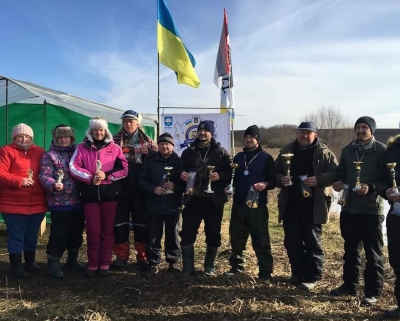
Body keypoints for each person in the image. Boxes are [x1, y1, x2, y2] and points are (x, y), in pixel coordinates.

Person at [275, 121, 338, 291]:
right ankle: (297, 273)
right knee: (292, 241)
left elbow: (336, 173)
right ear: (297, 133)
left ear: (315, 135)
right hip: (290, 203)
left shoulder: (324, 152)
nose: (304, 135)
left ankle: (312, 277)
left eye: (308, 133)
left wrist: (319, 179)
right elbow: (274, 172)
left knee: (312, 241)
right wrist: (281, 179)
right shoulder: (286, 151)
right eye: (301, 132)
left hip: (314, 204)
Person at [330, 116, 386, 306]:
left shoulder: (381, 150)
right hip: (349, 208)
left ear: (372, 130)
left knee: (373, 254)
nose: (361, 130)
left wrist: (370, 187)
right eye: (358, 127)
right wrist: (338, 183)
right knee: (350, 250)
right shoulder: (348, 150)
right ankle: (349, 285)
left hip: (371, 210)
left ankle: (372, 292)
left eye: (365, 127)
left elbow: (387, 180)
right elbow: (342, 175)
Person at [69, 116, 128, 277]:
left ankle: (105, 263)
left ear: (105, 131)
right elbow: (73, 166)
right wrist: (89, 178)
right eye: (95, 130)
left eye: (101, 129)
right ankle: (93, 263)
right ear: (91, 131)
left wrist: (107, 175)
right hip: (90, 196)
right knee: (93, 230)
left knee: (108, 231)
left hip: (110, 195)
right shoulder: (82, 147)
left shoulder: (114, 148)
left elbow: (123, 169)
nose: (98, 132)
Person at [179, 120, 231, 277]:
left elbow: (230, 174)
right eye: (200, 130)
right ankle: (188, 268)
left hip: (213, 201)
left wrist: (220, 175)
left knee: (213, 233)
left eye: (206, 130)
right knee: (187, 233)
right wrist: (181, 174)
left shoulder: (221, 152)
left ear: (211, 133)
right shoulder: (188, 152)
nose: (202, 133)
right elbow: (178, 169)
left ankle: (209, 267)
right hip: (192, 199)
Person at [224, 125, 276, 281]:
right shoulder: (238, 157)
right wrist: (228, 186)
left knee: (261, 239)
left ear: (257, 139)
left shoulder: (266, 158)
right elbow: (232, 178)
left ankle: (265, 272)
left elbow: (273, 181)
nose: (248, 139)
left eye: (251, 137)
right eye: (246, 137)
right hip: (239, 204)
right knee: (237, 238)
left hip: (257, 206)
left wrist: (265, 184)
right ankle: (237, 266)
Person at [0, 123, 48, 279]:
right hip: (13, 203)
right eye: (20, 136)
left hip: (37, 202)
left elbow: (47, 170)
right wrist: (19, 181)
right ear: (14, 137)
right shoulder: (7, 151)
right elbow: (1, 173)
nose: (24, 138)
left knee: (32, 235)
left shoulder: (40, 151)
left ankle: (30, 262)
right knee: (16, 235)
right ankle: (16, 266)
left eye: (27, 136)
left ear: (31, 138)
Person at [112, 110, 158, 270]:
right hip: (120, 187)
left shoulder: (148, 141)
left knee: (141, 223)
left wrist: (151, 153)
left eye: (131, 121)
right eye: (125, 121)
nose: (128, 124)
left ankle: (142, 255)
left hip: (140, 189)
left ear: (138, 123)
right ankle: (121, 255)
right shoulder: (114, 139)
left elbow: (160, 157)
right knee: (120, 223)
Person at [38, 124, 85, 279]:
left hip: (78, 201)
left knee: (76, 232)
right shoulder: (49, 155)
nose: (64, 140)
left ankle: (73, 259)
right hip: (59, 202)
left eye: (67, 137)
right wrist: (52, 184)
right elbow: (43, 175)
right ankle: (54, 262)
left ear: (71, 138)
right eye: (61, 137)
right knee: (59, 233)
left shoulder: (77, 152)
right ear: (56, 138)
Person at [137, 133, 183, 275]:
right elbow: (141, 181)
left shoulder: (179, 162)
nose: (164, 146)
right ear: (158, 146)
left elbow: (186, 181)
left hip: (173, 205)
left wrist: (176, 186)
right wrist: (153, 189)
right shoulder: (150, 162)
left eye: (167, 144)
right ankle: (154, 262)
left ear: (172, 145)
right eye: (162, 144)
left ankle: (172, 262)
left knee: (173, 235)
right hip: (154, 204)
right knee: (153, 235)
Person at [377, 134, 400, 318]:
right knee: (397, 260)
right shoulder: (391, 151)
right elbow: (380, 180)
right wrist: (386, 191)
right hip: (396, 214)